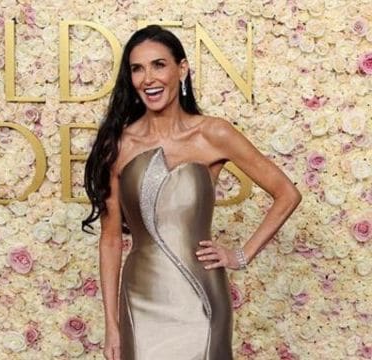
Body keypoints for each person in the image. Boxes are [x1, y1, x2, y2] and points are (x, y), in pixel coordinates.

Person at [82, 25, 302, 360]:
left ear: (181, 69)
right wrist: (111, 324)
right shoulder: (120, 144)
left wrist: (240, 255)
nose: (148, 78)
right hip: (140, 300)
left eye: (159, 65)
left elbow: (286, 193)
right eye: (137, 69)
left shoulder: (213, 134)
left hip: (200, 297)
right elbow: (111, 240)